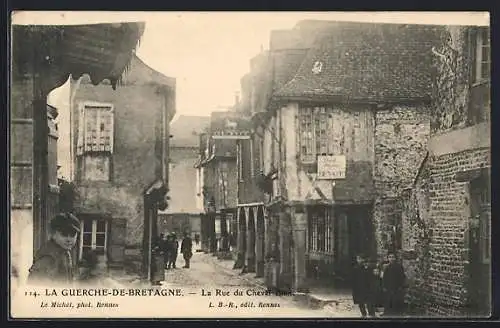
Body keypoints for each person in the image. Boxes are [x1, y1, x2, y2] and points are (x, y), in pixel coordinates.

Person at [27, 213, 80, 286]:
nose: (69, 239)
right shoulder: (49, 258)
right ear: (53, 234)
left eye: (72, 235)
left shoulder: (64, 252)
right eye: (64, 234)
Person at [382, 252, 407, 317]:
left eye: (393, 257)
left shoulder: (399, 267)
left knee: (396, 302)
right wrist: (384, 286)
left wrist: (401, 286)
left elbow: (402, 277)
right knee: (389, 302)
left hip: (397, 288)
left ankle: (397, 314)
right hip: (389, 288)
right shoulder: (387, 268)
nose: (391, 259)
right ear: (388, 258)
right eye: (390, 257)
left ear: (395, 258)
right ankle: (388, 314)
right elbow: (385, 278)